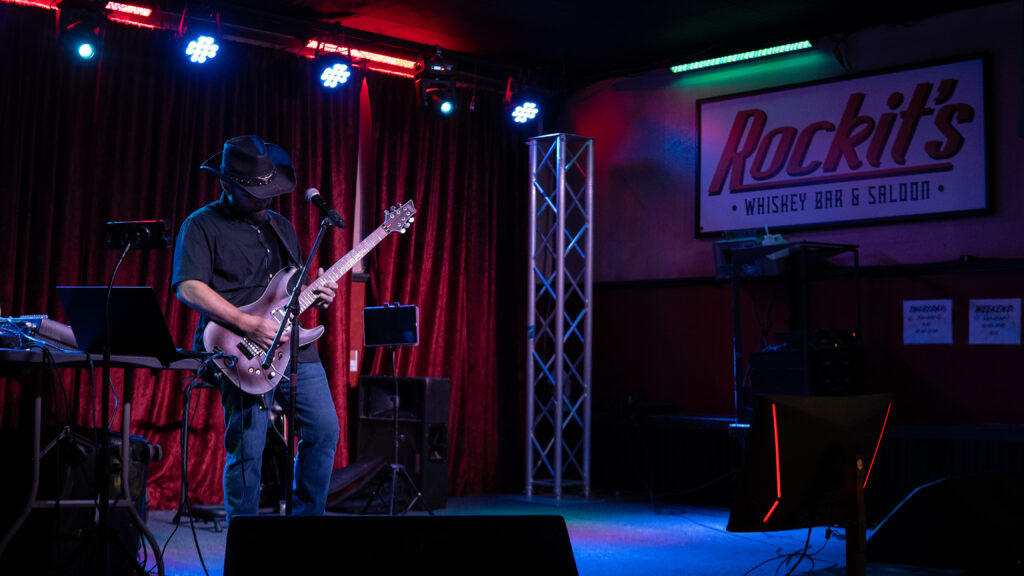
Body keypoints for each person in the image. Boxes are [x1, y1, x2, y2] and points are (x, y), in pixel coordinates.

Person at [171, 135, 340, 521]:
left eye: (269, 191)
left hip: (293, 346)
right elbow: (188, 287)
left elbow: (292, 289)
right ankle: (244, 542)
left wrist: (317, 294)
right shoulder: (201, 225)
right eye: (253, 194)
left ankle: (307, 525)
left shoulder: (281, 227)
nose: (265, 200)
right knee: (249, 447)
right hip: (238, 347)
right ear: (226, 184)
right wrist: (247, 323)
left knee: (324, 431)